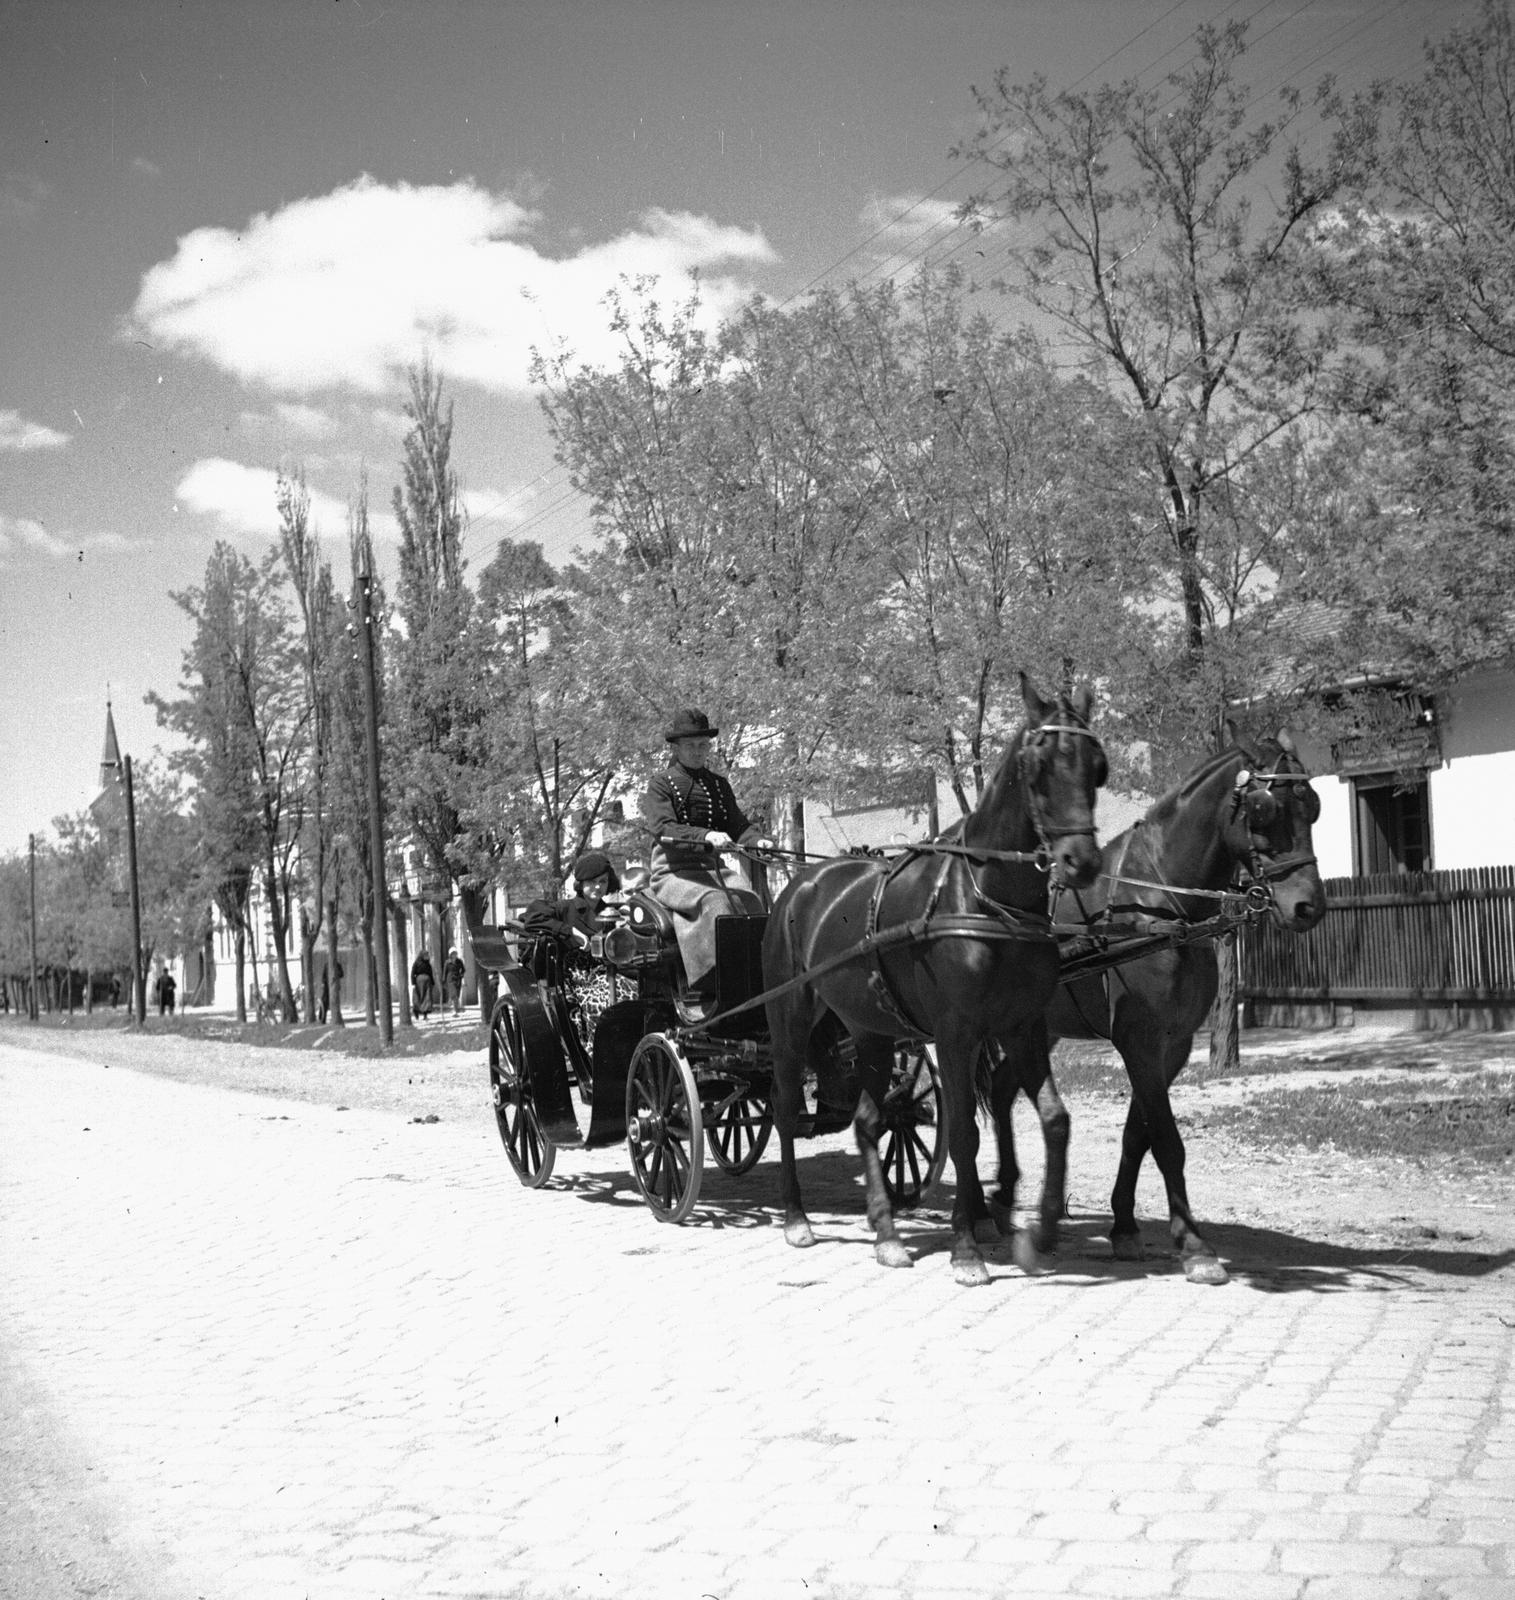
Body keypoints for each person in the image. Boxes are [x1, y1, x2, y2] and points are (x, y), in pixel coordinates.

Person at [642, 708, 772, 1018]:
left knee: (750, 899)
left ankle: (758, 982)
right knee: (716, 902)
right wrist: (706, 836)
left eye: (703, 745)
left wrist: (757, 841)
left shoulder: (719, 785)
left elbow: (738, 824)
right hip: (672, 871)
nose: (698, 751)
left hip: (713, 869)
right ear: (676, 748)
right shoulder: (661, 784)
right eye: (691, 746)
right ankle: (711, 987)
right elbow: (663, 828)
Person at [520, 852, 622, 976]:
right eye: (591, 881)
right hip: (572, 978)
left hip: (609, 973)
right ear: (581, 883)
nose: (597, 886)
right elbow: (532, 918)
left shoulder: (610, 912)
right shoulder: (565, 907)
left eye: (603, 881)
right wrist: (571, 932)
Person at [410, 951, 436, 1019]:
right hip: (419, 983)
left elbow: (430, 974)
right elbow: (413, 973)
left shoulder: (428, 964)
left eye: (427, 955)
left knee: (427, 998)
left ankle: (425, 1015)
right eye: (425, 955)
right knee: (418, 997)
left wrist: (433, 983)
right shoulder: (417, 963)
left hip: (427, 983)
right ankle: (416, 1011)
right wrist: (413, 983)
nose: (427, 957)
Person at [443, 947, 467, 1014]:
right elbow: (445, 972)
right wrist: (443, 981)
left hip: (457, 979)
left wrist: (461, 975)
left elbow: (463, 970)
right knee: (454, 994)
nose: (454, 955)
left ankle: (454, 1006)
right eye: (453, 954)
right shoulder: (447, 962)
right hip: (450, 979)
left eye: (455, 953)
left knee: (457, 995)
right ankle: (455, 1010)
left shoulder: (459, 961)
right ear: (450, 954)